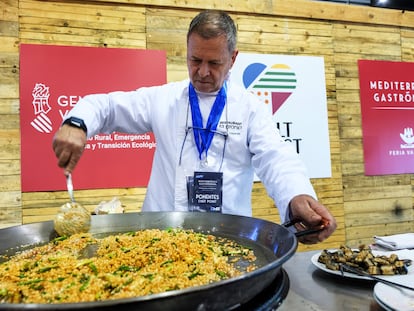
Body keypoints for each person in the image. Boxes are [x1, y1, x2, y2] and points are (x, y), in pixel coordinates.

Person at [52, 10, 336, 244]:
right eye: (194, 60)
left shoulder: (251, 108)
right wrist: (77, 122)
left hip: (229, 240)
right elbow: (107, 106)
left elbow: (277, 159)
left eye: (214, 63)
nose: (202, 72)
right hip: (158, 237)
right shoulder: (163, 99)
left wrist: (297, 196)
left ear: (233, 58)